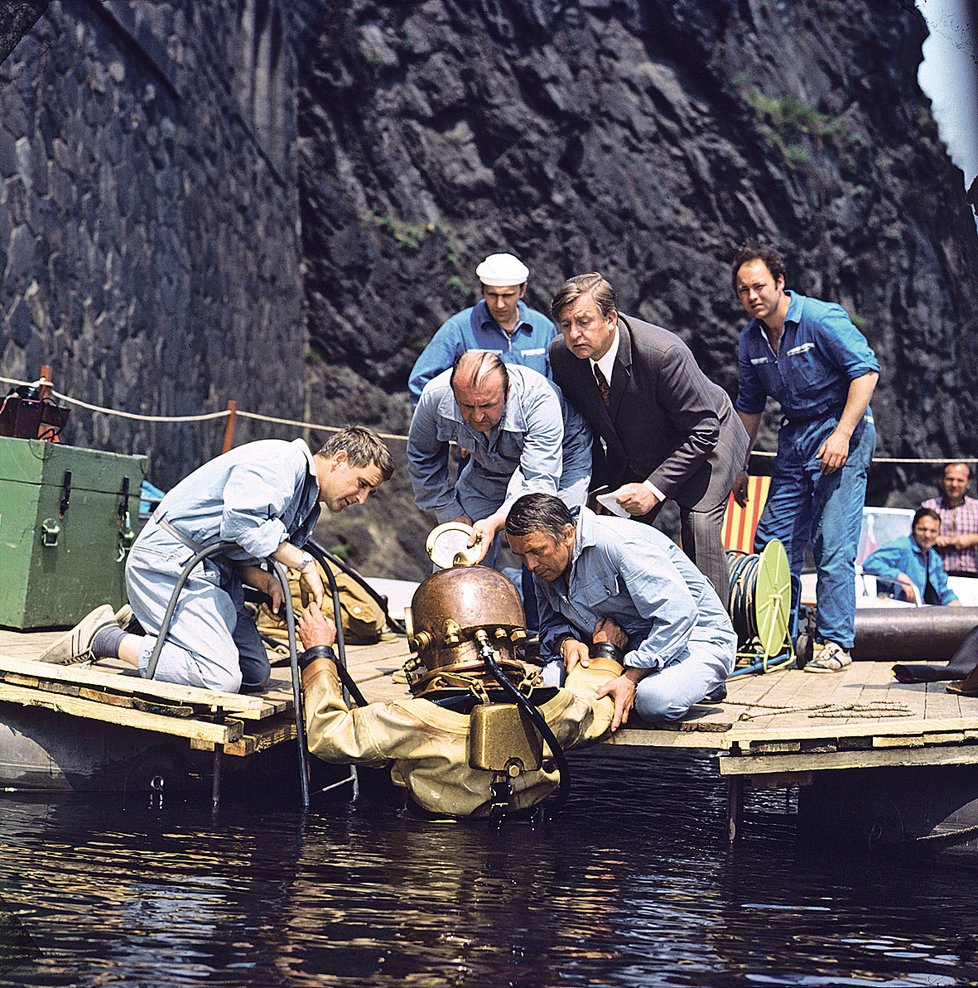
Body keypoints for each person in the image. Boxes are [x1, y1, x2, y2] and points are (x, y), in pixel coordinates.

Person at [39, 427, 394, 693]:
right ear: (342, 460)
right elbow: (241, 523)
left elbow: (244, 551)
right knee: (219, 678)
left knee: (254, 673)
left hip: (215, 576)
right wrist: (302, 563)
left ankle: (155, 628)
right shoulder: (279, 462)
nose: (361, 499)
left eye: (371, 494)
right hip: (170, 563)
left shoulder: (307, 501)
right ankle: (105, 639)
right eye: (362, 484)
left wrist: (267, 581)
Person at [296, 574, 619, 817]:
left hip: (434, 868)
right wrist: (605, 654)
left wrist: (319, 654)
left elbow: (328, 734)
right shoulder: (555, 710)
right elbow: (599, 710)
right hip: (529, 850)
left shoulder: (409, 720)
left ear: (423, 639)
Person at [549, 273, 748, 608]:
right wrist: (596, 487)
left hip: (707, 437)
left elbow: (703, 429)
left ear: (611, 318)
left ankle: (716, 638)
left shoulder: (663, 352)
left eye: (583, 322)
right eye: (565, 324)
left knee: (698, 526)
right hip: (639, 446)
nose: (573, 334)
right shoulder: (562, 356)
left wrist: (653, 489)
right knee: (606, 531)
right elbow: (584, 426)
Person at [731, 242, 880, 674]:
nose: (752, 297)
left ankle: (836, 643)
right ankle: (774, 638)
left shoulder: (819, 318)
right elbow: (749, 406)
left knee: (832, 543)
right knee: (772, 543)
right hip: (794, 437)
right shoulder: (750, 341)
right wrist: (739, 466)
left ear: (779, 282)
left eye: (759, 286)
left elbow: (866, 371)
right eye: (743, 291)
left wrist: (842, 435)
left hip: (841, 427)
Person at [505, 492, 737, 727]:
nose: (530, 565)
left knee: (653, 701)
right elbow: (549, 625)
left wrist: (631, 678)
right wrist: (565, 642)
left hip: (693, 639)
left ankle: (705, 680)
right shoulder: (543, 567)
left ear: (567, 534)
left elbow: (678, 615)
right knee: (547, 690)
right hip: (621, 650)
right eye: (521, 556)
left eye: (537, 551)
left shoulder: (619, 544)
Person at [408, 350, 591, 568]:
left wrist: (495, 522)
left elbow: (537, 485)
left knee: (553, 546)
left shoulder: (539, 399)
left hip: (559, 461)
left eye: (487, 405)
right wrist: (450, 512)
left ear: (508, 391)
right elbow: (421, 457)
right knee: (458, 547)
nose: (477, 417)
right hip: (488, 465)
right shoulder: (434, 397)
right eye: (466, 406)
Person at [408, 252, 558, 407]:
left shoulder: (544, 329)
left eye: (507, 295)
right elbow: (420, 382)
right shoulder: (458, 328)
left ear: (523, 290)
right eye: (492, 295)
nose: (500, 304)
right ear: (482, 290)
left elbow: (557, 389)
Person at [862, 508, 961, 607]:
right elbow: (870, 563)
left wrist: (954, 603)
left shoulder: (935, 558)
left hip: (925, 611)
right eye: (922, 529)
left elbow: (942, 590)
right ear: (913, 528)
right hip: (897, 609)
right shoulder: (902, 546)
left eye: (933, 531)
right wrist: (899, 577)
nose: (927, 535)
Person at [921, 462, 978, 577]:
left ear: (968, 483)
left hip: (972, 575)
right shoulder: (928, 507)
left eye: (960, 480)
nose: (954, 484)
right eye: (950, 479)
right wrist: (933, 539)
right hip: (935, 574)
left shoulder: (977, 508)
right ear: (942, 480)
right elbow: (913, 538)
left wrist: (973, 539)